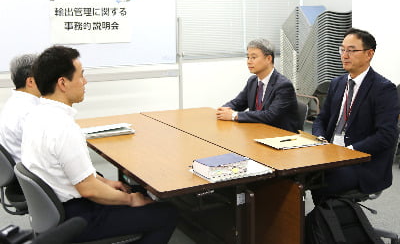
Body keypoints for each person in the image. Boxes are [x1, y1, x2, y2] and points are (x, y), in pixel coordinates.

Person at [21, 46, 178, 243]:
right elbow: (89, 190)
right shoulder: (63, 128)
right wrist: (130, 200)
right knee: (167, 213)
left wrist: (107, 183)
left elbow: (72, 173)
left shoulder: (35, 116)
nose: (85, 82)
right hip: (77, 217)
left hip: (54, 210)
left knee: (128, 189)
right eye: (81, 76)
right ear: (62, 83)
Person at [312, 28, 399, 203]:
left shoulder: (383, 89)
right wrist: (321, 138)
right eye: (342, 49)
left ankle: (328, 226)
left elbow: (386, 135)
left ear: (369, 54)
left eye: (351, 50)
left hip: (362, 161)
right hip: (331, 151)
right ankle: (324, 225)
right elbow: (321, 119)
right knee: (297, 174)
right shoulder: (337, 83)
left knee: (320, 182)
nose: (344, 55)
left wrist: (349, 151)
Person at [216, 38, 299, 133]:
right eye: (248, 57)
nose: (249, 61)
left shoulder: (283, 85)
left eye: (253, 57)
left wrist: (234, 115)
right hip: (258, 131)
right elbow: (238, 102)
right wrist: (224, 109)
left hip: (280, 136)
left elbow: (270, 116)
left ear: (268, 59)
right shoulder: (253, 81)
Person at [0, 54, 40, 163]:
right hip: (31, 171)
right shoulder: (30, 112)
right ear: (30, 82)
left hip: (17, 170)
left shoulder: (13, 102)